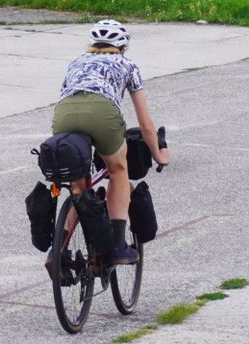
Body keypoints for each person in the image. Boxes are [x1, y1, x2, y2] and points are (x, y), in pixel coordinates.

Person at [50, 19, 169, 268]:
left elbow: (67, 93)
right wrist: (159, 156)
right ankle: (117, 246)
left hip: (64, 114)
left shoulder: (75, 62)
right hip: (103, 113)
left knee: (78, 185)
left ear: (92, 44)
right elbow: (146, 125)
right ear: (123, 48)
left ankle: (57, 251)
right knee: (118, 171)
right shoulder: (127, 65)